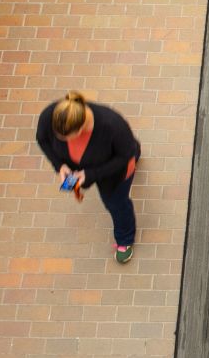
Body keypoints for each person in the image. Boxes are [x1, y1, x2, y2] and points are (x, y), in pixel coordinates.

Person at [36, 91, 142, 264]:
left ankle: (125, 239)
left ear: (81, 128)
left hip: (114, 172)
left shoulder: (113, 125)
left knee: (116, 204)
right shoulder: (51, 116)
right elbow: (42, 139)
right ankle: (134, 147)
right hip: (79, 168)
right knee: (125, 148)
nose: (63, 141)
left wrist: (91, 174)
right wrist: (59, 165)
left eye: (68, 138)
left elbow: (124, 157)